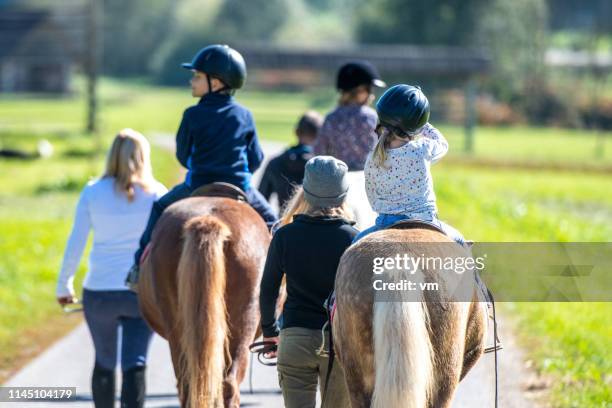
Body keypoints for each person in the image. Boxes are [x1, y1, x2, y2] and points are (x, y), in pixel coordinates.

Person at [126, 44, 277, 288]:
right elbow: (256, 157)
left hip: (197, 185)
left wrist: (199, 166)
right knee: (274, 221)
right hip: (239, 187)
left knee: (159, 207)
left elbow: (183, 155)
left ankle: (136, 268)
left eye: (197, 76)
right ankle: (284, 278)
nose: (191, 81)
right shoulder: (245, 115)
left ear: (216, 83)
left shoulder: (191, 115)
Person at [56, 129, 167, 408]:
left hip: (100, 292)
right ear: (144, 157)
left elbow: (76, 242)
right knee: (135, 362)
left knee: (104, 360)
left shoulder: (92, 192)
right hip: (140, 293)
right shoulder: (158, 195)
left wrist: (64, 284)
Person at [259, 156, 357, 408]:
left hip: (295, 340)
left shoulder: (284, 236)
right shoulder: (355, 240)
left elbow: (268, 288)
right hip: (339, 344)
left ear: (307, 192)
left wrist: (270, 333)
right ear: (343, 194)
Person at [354, 84, 466, 245]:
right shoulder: (422, 149)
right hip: (426, 221)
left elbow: (372, 198)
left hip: (385, 223)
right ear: (416, 126)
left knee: (354, 246)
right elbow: (442, 144)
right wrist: (423, 125)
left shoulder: (373, 158)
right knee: (459, 242)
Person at [313, 60, 386, 171]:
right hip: (369, 180)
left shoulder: (331, 118)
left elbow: (319, 153)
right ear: (357, 90)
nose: (372, 94)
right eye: (369, 89)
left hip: (339, 180)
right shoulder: (372, 117)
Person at [258, 110, 323, 212]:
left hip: (284, 222)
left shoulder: (275, 162)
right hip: (314, 224)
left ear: (296, 132)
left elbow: (261, 200)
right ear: (320, 135)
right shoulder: (322, 167)